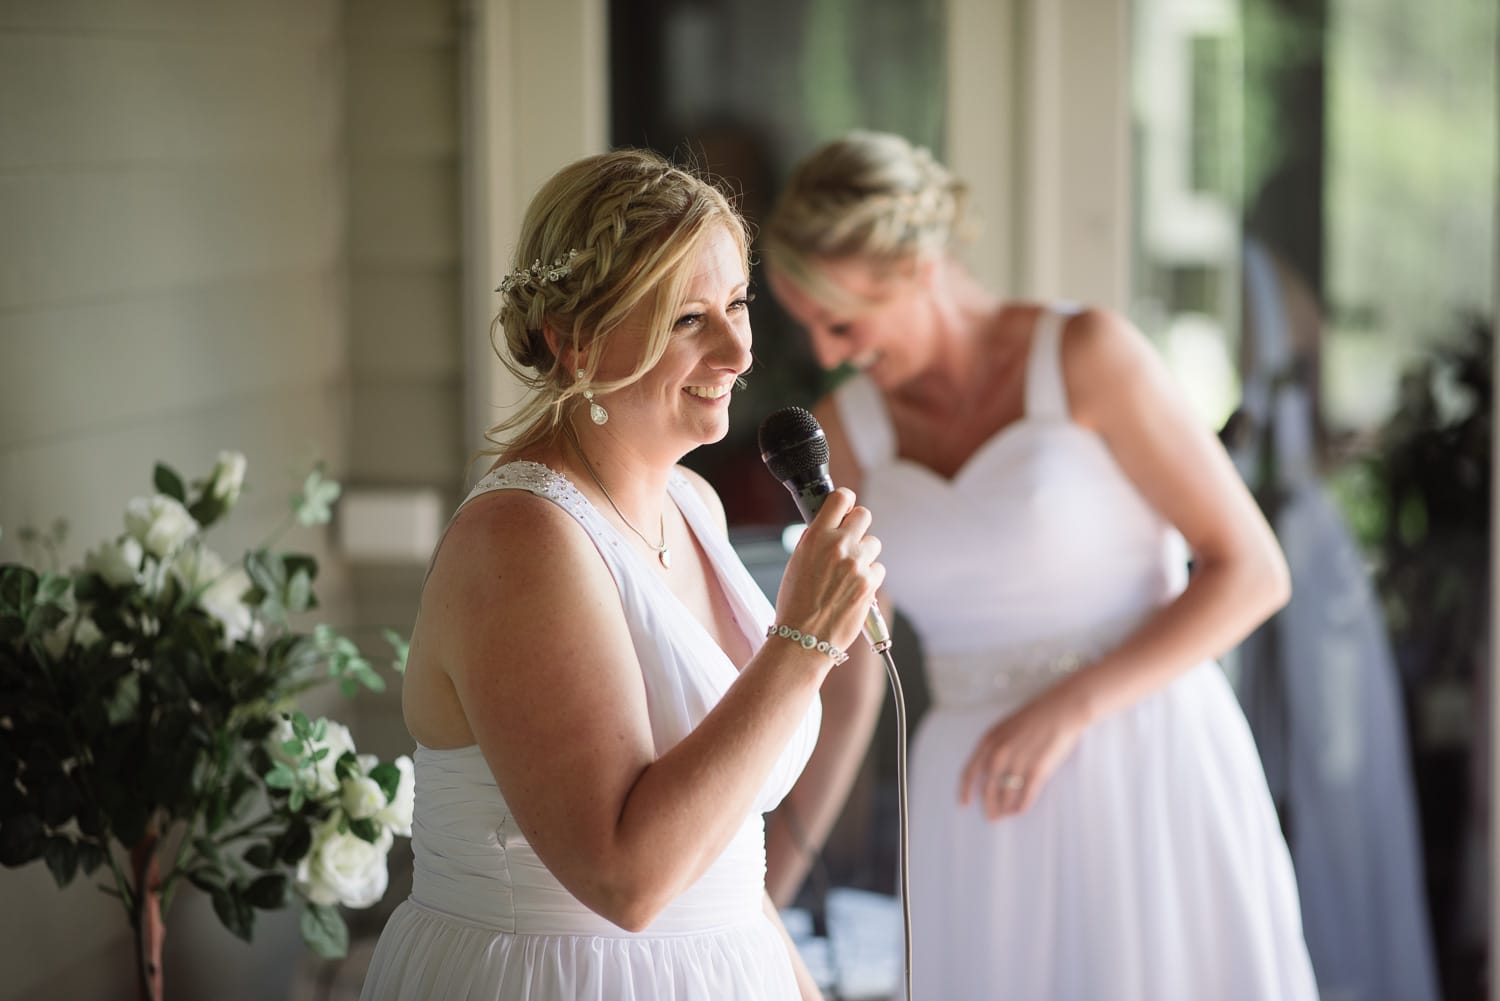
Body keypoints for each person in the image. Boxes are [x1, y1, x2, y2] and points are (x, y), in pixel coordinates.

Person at [761, 130, 1320, 1000]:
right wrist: (763, 891)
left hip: (1147, 758)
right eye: (810, 327)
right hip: (979, 802)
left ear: (915, 266)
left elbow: (1251, 570)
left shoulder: (1088, 355)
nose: (829, 353)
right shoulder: (849, 431)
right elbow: (850, 678)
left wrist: (1069, 706)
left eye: (843, 319)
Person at [359, 148, 885, 1001]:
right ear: (573, 342)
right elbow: (625, 879)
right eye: (688, 319)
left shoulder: (693, 503)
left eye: (738, 303)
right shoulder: (521, 540)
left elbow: (723, 850)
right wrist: (802, 645)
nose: (737, 351)